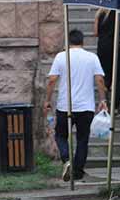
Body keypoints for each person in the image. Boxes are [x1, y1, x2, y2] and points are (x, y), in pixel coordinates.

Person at [44, 29, 108, 182]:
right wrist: (103, 100)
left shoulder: (61, 57)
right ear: (82, 42)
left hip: (65, 105)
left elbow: (52, 80)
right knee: (82, 139)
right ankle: (78, 171)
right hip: (86, 106)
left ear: (68, 42)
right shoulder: (92, 57)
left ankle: (66, 160)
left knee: (60, 135)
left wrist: (47, 100)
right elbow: (99, 79)